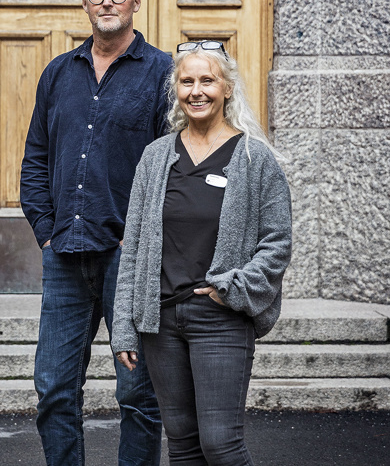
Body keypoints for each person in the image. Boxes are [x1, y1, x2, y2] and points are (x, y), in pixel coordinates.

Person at [112, 41, 293, 465]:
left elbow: (277, 243)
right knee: (183, 446)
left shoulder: (254, 158)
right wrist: (124, 324)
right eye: (186, 81)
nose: (196, 90)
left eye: (207, 80)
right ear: (175, 89)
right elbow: (133, 247)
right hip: (161, 322)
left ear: (227, 88)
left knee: (221, 445)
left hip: (220, 317)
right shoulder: (156, 157)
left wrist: (231, 287)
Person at [20, 0, 169, 466]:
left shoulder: (164, 74)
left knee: (137, 395)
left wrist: (144, 237)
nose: (107, 2)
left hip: (128, 260)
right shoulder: (59, 72)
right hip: (64, 253)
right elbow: (36, 157)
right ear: (83, 2)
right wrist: (43, 228)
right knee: (54, 389)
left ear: (135, 0)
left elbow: (175, 168)